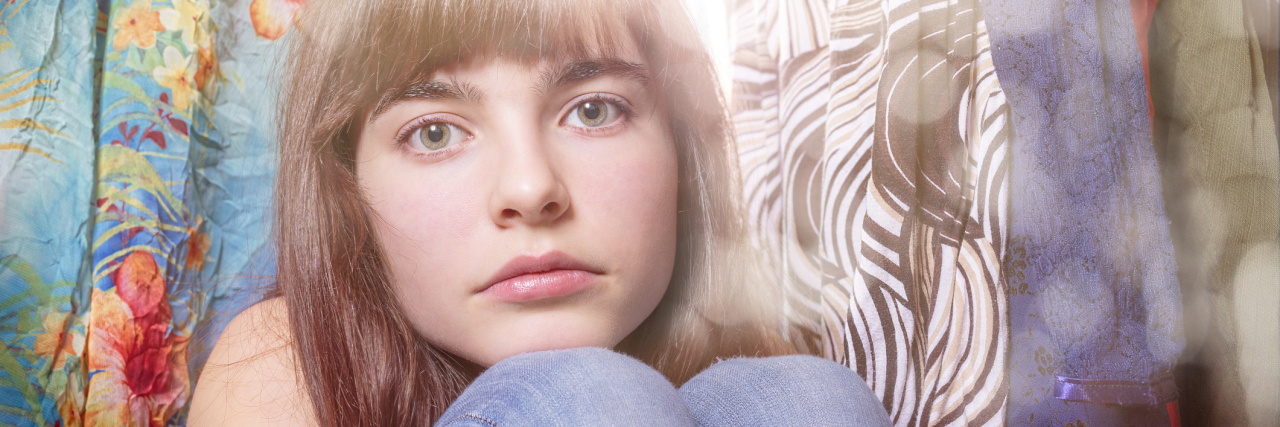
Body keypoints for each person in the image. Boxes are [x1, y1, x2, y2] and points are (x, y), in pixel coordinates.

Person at [188, 0, 892, 425]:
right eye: (434, 132)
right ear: (347, 191)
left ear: (681, 154)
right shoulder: (281, 364)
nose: (529, 188)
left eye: (593, 110)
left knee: (800, 397)